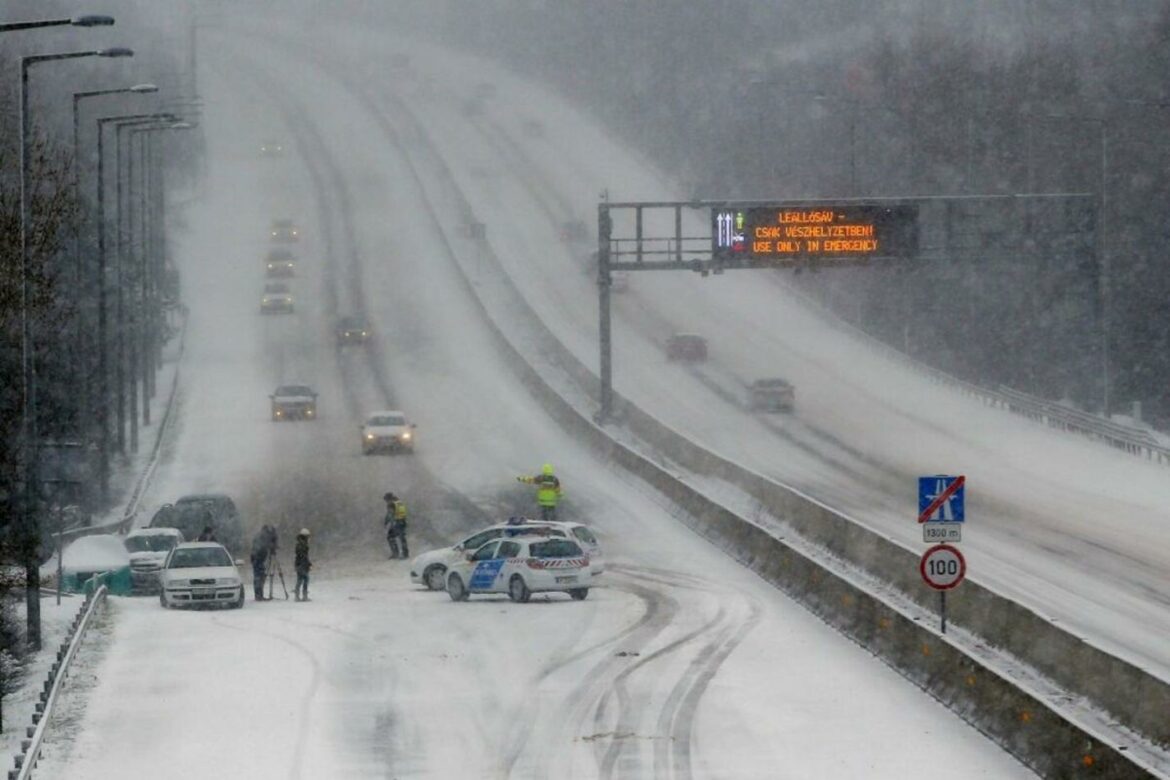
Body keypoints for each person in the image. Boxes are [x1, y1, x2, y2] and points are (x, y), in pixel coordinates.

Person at [383, 492, 409, 559]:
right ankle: (405, 554)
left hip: (397, 522)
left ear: (388, 498)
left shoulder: (391, 504)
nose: (386, 502)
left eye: (386, 500)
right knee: (402, 538)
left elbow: (390, 514)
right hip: (403, 522)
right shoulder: (399, 502)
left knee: (390, 537)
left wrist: (386, 522)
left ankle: (395, 553)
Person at [294, 528, 312, 602]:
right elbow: (303, 556)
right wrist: (308, 563)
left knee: (300, 580)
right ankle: (303, 596)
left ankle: (298, 596)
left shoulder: (300, 544)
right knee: (305, 579)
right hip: (302, 564)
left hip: (300, 564)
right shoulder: (302, 545)